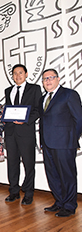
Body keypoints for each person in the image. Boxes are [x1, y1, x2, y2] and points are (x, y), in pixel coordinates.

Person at [39, 69, 82, 217]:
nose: (48, 81)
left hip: (64, 144)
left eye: (51, 78)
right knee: (53, 175)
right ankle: (59, 202)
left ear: (58, 79)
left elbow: (79, 119)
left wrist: (71, 139)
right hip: (47, 144)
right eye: (45, 79)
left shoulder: (69, 94)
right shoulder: (43, 98)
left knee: (67, 175)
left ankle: (69, 206)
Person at [4, 64, 42, 205]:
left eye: (20, 73)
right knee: (12, 163)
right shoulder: (8, 90)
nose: (17, 76)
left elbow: (38, 110)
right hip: (11, 133)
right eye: (15, 73)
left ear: (26, 74)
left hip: (26, 132)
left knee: (28, 163)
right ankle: (14, 191)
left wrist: (25, 120)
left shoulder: (35, 89)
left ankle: (29, 193)